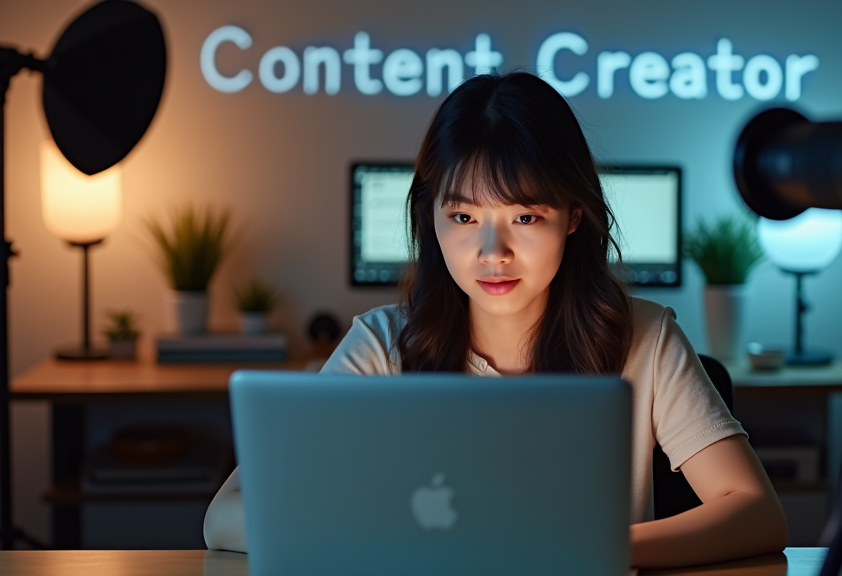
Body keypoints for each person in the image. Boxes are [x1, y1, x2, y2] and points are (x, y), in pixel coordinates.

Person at [204, 71, 787, 568]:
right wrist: (392, 544)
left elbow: (757, 514)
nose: (492, 251)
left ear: (574, 215)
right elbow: (226, 516)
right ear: (429, 217)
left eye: (526, 217)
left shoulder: (645, 339)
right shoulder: (383, 346)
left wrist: (590, 551)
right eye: (462, 215)